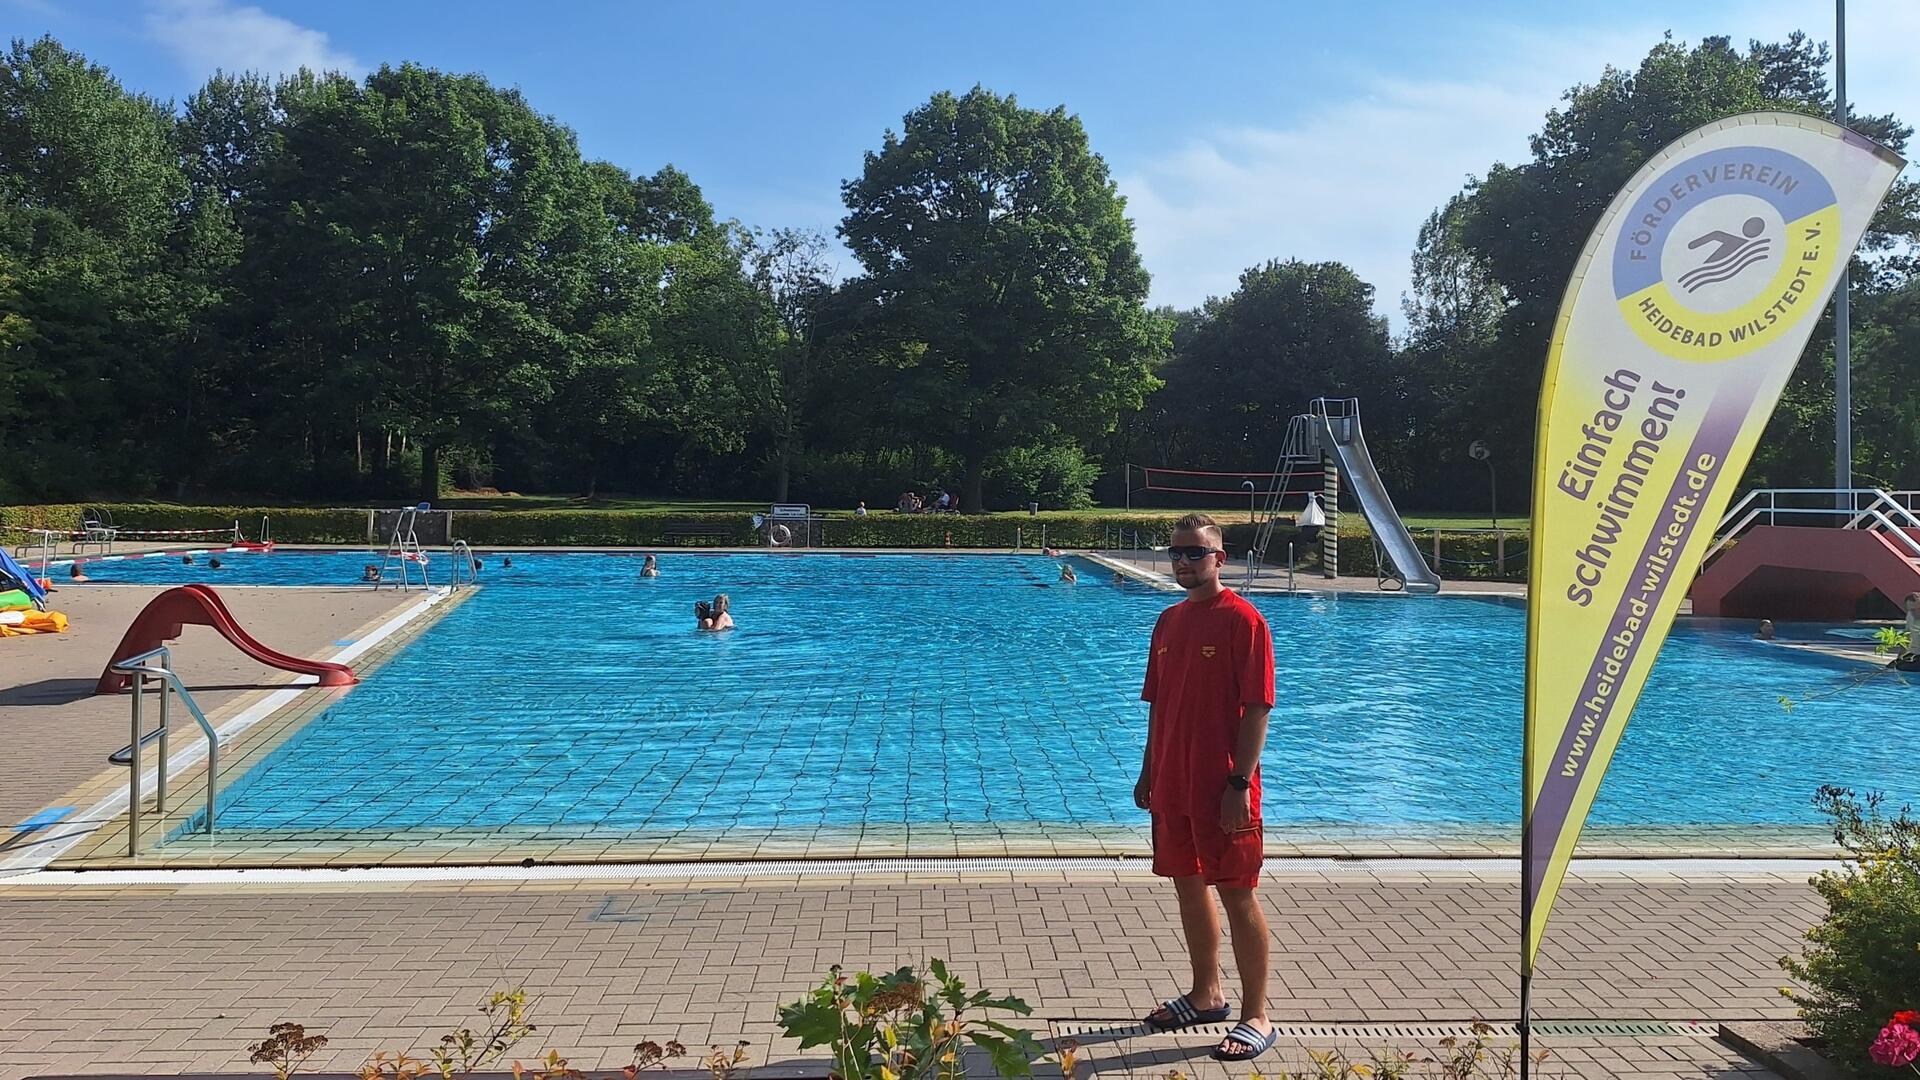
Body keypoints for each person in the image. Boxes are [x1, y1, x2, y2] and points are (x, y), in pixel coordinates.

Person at [1137, 512, 1277, 1062]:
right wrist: (1149, 770)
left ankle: (1257, 1014)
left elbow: (1258, 706)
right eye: (1177, 553)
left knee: (1237, 891)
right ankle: (1205, 994)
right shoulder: (1168, 622)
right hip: (1172, 781)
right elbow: (1158, 706)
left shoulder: (1243, 621)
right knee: (1187, 884)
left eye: (1196, 553)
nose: (1184, 562)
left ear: (1220, 558)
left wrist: (1239, 781)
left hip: (1223, 785)